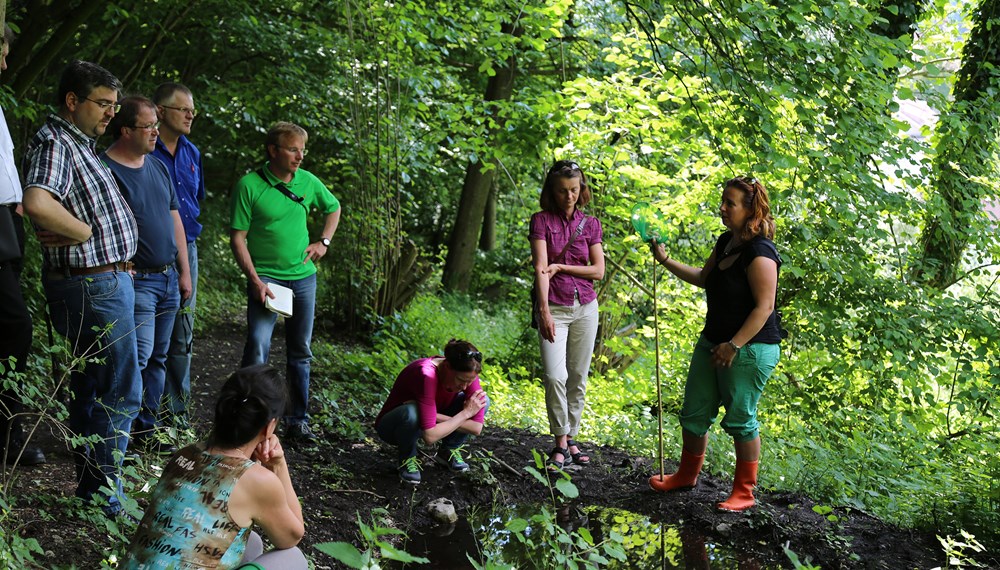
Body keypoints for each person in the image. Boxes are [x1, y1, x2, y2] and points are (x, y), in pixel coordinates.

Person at [22, 60, 141, 516]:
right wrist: (83, 232)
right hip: (93, 283)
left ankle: (95, 491)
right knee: (119, 389)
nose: (111, 113)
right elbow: (37, 201)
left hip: (104, 281)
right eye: (103, 103)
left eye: (114, 104)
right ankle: (105, 494)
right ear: (72, 101)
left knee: (93, 387)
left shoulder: (79, 143)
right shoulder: (56, 142)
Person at [647, 175, 782, 512]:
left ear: (750, 210)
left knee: (740, 418)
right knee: (693, 411)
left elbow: (764, 307)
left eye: (730, 203)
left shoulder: (761, 252)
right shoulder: (726, 242)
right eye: (723, 201)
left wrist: (733, 345)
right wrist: (665, 260)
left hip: (749, 349)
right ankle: (686, 476)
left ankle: (744, 493)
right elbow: (703, 278)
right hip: (713, 341)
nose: (722, 208)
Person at [123, 364, 306, 569]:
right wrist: (278, 466)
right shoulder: (257, 481)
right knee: (293, 558)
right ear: (270, 426)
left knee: (251, 542)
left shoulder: (185, 454)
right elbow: (293, 536)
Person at [230, 121, 341, 444]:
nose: (299, 156)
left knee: (301, 350)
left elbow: (333, 208)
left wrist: (324, 242)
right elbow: (238, 238)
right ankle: (249, 416)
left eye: (302, 150)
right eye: (293, 149)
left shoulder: (307, 181)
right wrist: (253, 279)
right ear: (273, 150)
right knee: (258, 345)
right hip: (266, 276)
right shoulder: (249, 185)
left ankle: (297, 420)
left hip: (303, 277)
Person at [102, 96, 192, 452]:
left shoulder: (157, 166)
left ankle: (146, 430)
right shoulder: (106, 170)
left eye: (156, 124)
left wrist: (184, 272)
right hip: (136, 282)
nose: (156, 132)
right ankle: (116, 438)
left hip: (168, 278)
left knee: (158, 357)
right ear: (125, 130)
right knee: (135, 359)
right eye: (148, 126)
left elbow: (175, 221)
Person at [529, 160, 605, 471]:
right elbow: (540, 268)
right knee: (553, 376)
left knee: (578, 378)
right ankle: (559, 440)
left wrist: (562, 267)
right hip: (555, 308)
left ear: (582, 190)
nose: (569, 196)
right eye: (562, 191)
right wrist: (543, 310)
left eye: (574, 190)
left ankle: (570, 438)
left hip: (586, 307)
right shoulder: (541, 221)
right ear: (552, 191)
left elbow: (598, 271)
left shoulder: (592, 224)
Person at [0, 23, 45, 466]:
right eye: (2, 50)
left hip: (7, 226)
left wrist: (15, 205)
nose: (7, 61)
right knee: (15, 329)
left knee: (10, 332)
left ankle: (7, 437)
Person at [152, 82, 206, 431]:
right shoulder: (143, 148)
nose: (190, 115)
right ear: (160, 111)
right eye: (183, 108)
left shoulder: (192, 152)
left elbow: (195, 199)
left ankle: (176, 415)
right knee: (152, 336)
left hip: (190, 249)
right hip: (152, 254)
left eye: (192, 110)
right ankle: (145, 414)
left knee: (182, 333)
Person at [375, 339, 489, 484]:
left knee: (481, 402)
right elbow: (430, 436)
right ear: (447, 366)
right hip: (393, 427)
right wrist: (466, 414)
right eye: (461, 380)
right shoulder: (426, 374)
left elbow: (476, 428)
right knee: (412, 412)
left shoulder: (468, 371)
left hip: (429, 419)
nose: (465, 387)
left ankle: (448, 450)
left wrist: (435, 416)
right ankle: (407, 457)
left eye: (469, 382)